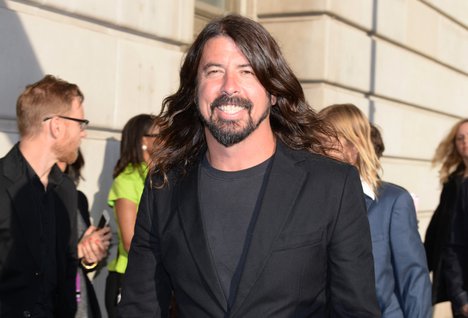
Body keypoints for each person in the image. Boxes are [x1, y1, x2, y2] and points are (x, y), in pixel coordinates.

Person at [118, 14, 380, 317]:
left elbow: (355, 311)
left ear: (272, 91)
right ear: (194, 90)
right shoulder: (164, 187)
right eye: (214, 71)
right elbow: (140, 308)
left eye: (247, 72)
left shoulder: (331, 185)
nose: (230, 87)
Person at [319, 103, 432, 317]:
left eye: (329, 143)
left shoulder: (393, 201)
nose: (322, 151)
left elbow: (413, 277)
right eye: (318, 143)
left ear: (355, 145)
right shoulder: (314, 200)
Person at [0, 75, 88, 317]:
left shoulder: (66, 190)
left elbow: (68, 267)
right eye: (80, 123)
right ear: (56, 126)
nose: (84, 134)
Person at [105, 114, 158, 318]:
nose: (167, 140)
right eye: (160, 135)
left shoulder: (159, 174)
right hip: (129, 280)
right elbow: (130, 240)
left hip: (154, 279)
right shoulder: (127, 179)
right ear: (144, 140)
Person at [58, 149, 112, 318]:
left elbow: (84, 262)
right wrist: (79, 250)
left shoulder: (78, 198)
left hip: (79, 295)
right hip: (50, 298)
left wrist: (91, 256)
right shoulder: (31, 198)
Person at [425, 119, 468, 317]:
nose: (465, 142)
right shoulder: (453, 184)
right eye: (461, 138)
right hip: (459, 285)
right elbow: (445, 238)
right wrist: (459, 294)